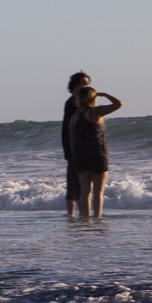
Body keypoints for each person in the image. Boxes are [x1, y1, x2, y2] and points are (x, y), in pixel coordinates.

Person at [70, 86, 122, 219]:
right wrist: (105, 94)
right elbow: (118, 104)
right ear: (94, 98)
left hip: (80, 157)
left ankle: (85, 220)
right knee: (98, 192)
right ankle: (97, 218)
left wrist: (74, 157)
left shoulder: (74, 117)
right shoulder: (96, 112)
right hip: (98, 155)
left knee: (85, 192)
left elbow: (72, 141)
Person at [62, 71, 90, 217]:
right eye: (83, 84)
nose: (86, 86)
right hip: (74, 146)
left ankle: (73, 214)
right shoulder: (73, 103)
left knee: (74, 180)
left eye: (88, 84)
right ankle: (78, 214)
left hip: (78, 146)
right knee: (76, 181)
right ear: (75, 86)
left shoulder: (77, 102)